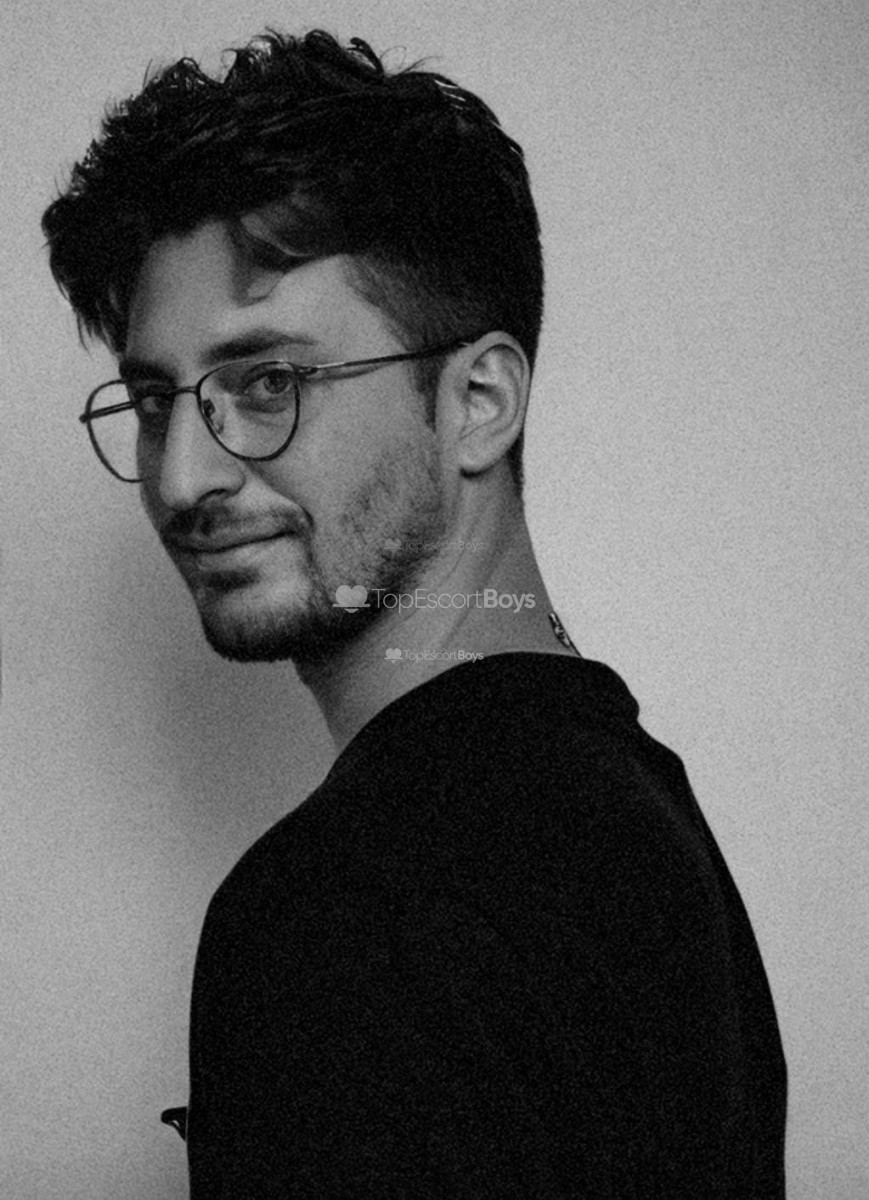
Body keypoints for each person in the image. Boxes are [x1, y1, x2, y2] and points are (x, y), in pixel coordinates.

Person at [42, 29, 787, 1197]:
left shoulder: (339, 906)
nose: (182, 478)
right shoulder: (637, 819)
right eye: (151, 401)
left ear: (477, 400)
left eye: (266, 383)